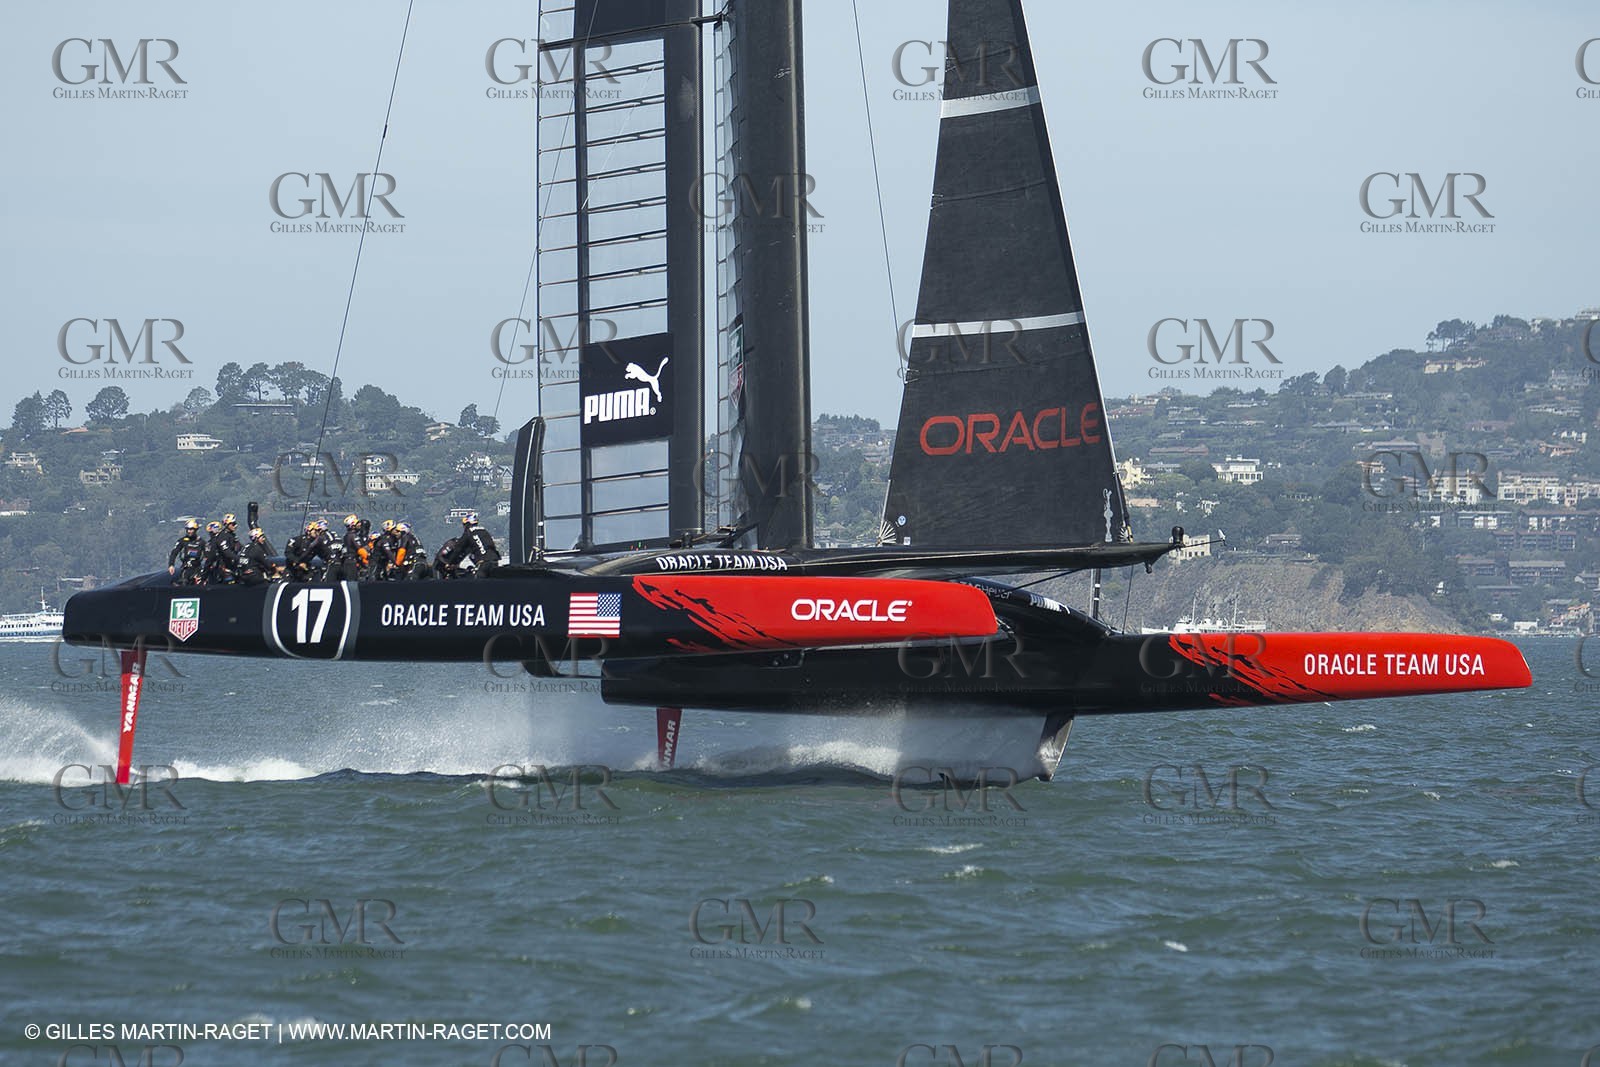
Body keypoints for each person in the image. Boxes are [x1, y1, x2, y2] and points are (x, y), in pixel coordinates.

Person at [168, 520, 205, 585]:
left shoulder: (201, 542)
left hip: (198, 568)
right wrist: (171, 565)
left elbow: (208, 554)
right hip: (186, 567)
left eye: (191, 529)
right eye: (188, 529)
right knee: (184, 581)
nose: (189, 531)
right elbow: (174, 552)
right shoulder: (182, 541)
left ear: (196, 530)